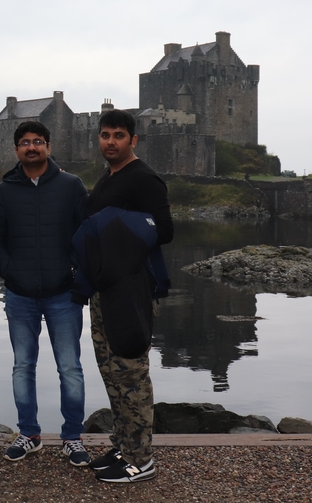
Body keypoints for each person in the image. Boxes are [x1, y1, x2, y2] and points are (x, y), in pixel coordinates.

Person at [78, 108, 173, 484]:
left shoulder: (144, 178)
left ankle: (142, 460)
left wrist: (118, 242)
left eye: (118, 135)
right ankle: (123, 444)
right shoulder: (109, 176)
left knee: (131, 372)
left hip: (131, 290)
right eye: (105, 135)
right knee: (111, 370)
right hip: (105, 289)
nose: (110, 141)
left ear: (132, 140)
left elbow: (163, 229)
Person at [0, 121, 91, 466]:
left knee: (70, 368)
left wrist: (76, 274)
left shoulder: (71, 185)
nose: (32, 147)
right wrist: (10, 272)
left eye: (38, 142)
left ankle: (73, 437)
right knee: (22, 366)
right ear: (16, 149)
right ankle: (28, 433)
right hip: (19, 295)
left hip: (63, 294)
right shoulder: (5, 190)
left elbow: (85, 234)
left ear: (48, 146)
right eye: (25, 143)